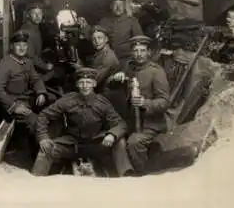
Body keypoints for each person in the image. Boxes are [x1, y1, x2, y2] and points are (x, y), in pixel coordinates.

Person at [31, 68, 134, 177]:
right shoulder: (68, 99)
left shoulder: (102, 102)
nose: (85, 86)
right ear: (77, 84)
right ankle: (36, 179)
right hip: (71, 145)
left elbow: (121, 123)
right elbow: (44, 115)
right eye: (82, 83)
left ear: (94, 84)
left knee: (119, 141)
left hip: (95, 144)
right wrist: (43, 137)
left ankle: (126, 175)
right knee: (46, 148)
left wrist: (112, 134)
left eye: (88, 82)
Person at [109, 35, 170, 175]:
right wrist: (115, 78)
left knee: (135, 142)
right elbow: (111, 85)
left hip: (151, 123)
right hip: (130, 119)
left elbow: (165, 102)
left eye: (142, 50)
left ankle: (144, 174)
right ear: (131, 52)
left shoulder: (156, 71)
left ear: (149, 52)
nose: (139, 54)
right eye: (136, 51)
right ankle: (126, 172)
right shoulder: (129, 67)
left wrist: (145, 103)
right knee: (114, 136)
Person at [0, 30, 48, 133]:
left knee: (51, 101)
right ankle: (36, 145)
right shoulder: (6, 63)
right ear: (12, 46)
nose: (22, 48)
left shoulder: (27, 62)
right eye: (18, 45)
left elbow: (35, 79)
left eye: (24, 45)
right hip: (10, 102)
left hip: (24, 97)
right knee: (35, 121)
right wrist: (13, 106)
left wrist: (41, 92)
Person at [98, 0, 143, 66]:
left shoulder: (131, 20)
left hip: (126, 59)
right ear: (110, 6)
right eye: (115, 5)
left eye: (121, 5)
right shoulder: (104, 21)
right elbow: (96, 37)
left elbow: (139, 41)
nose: (118, 7)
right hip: (108, 59)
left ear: (124, 6)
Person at [75, 25, 120, 94]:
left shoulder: (108, 57)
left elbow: (95, 80)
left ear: (106, 39)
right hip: (100, 90)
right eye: (94, 39)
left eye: (100, 38)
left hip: (106, 94)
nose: (97, 41)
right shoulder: (100, 52)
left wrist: (80, 69)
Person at [20, 1, 54, 79]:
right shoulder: (26, 30)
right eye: (34, 13)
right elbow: (30, 56)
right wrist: (45, 66)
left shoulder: (35, 27)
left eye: (40, 13)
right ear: (28, 15)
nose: (37, 16)